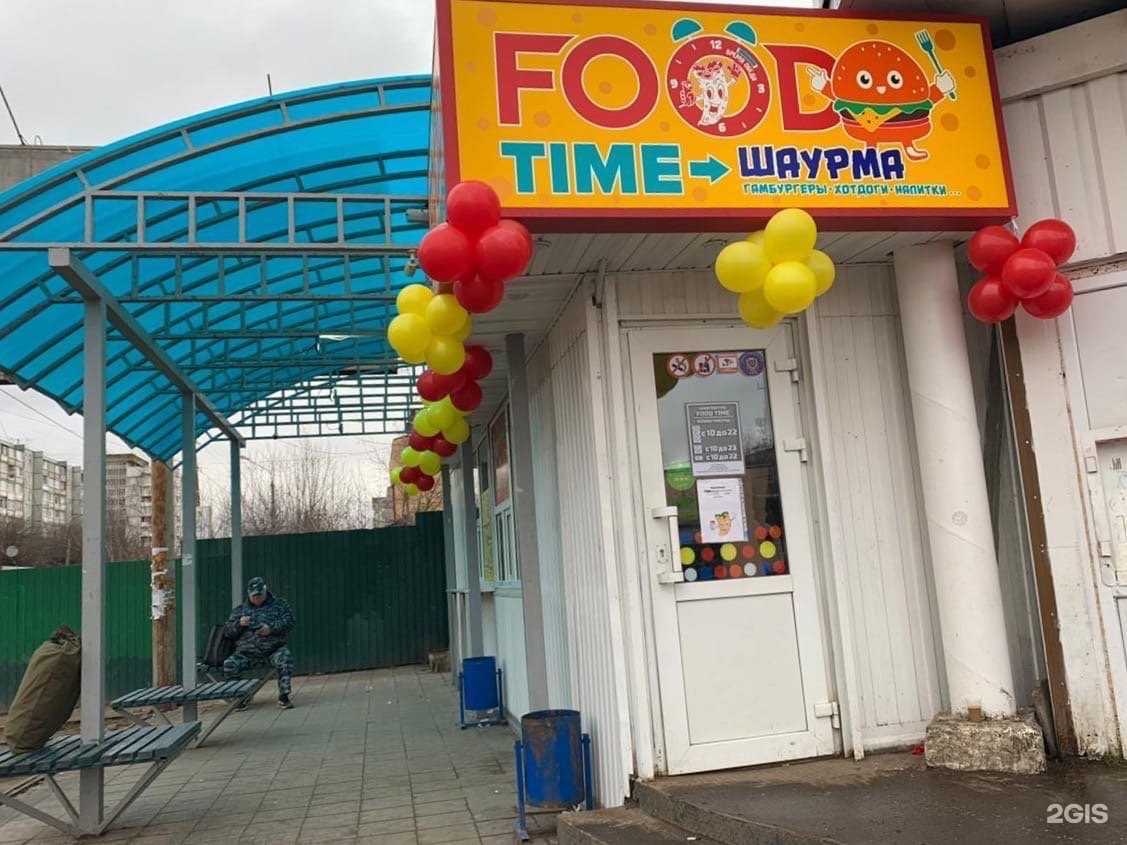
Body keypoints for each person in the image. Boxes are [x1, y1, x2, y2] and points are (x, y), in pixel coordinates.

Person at [222, 576, 296, 709]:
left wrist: (270, 629)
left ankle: (284, 696)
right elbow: (228, 632)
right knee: (229, 664)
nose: (257, 598)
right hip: (246, 653)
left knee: (285, 658)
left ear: (265, 591)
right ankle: (240, 697)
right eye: (254, 596)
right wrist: (239, 624)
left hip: (273, 650)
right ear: (249, 594)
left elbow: (290, 622)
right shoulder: (240, 610)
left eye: (259, 595)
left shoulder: (279, 605)